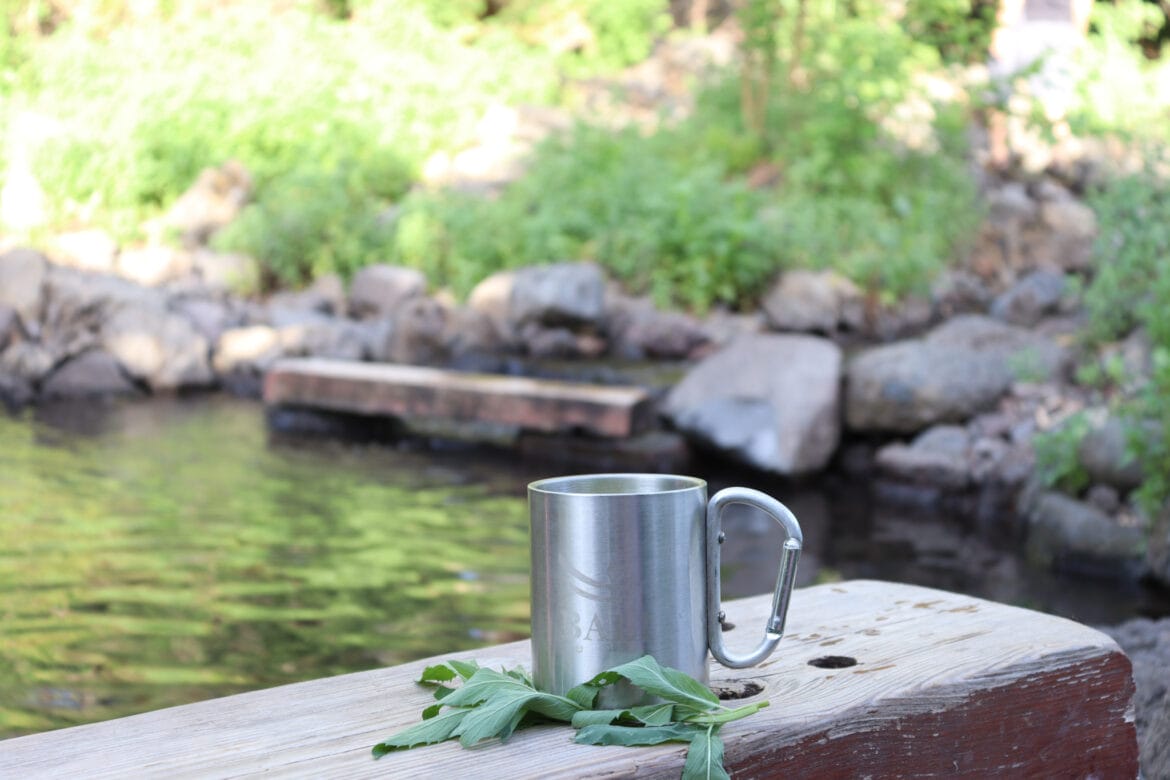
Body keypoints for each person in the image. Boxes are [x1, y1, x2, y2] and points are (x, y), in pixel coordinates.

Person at [987, 0, 1094, 168]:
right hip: (1063, 29)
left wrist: (1002, 29)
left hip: (1027, 25)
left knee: (1000, 90)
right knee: (1056, 99)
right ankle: (1059, 158)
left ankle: (998, 154)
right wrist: (1079, 35)